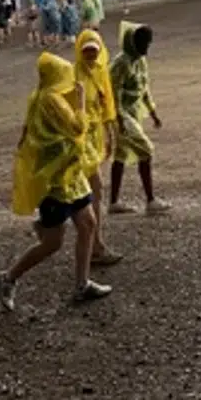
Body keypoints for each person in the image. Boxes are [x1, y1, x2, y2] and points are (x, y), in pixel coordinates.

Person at [0, 53, 112, 310]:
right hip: (56, 183)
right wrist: (80, 101)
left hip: (68, 176)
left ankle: (82, 284)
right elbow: (78, 128)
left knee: (88, 223)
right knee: (52, 243)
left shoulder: (40, 97)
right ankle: (8, 277)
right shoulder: (51, 101)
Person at [107, 23, 171, 216]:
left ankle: (113, 202)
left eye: (148, 43)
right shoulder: (121, 63)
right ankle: (151, 200)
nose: (146, 47)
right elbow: (112, 93)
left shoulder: (141, 61)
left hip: (133, 112)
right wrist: (118, 120)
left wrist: (152, 112)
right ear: (133, 43)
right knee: (145, 149)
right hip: (121, 114)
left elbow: (144, 88)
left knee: (121, 156)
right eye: (143, 43)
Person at [73, 30, 124, 266]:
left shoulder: (101, 72)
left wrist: (111, 135)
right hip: (80, 140)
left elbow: (108, 106)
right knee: (93, 189)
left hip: (95, 139)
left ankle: (94, 243)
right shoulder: (73, 75)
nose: (91, 54)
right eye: (87, 50)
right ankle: (94, 244)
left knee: (93, 191)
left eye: (94, 49)